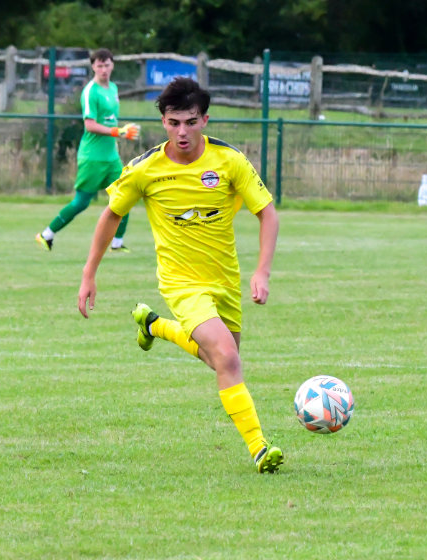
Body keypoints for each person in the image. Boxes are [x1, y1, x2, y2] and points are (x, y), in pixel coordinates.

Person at [77, 77, 284, 473]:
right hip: (181, 283)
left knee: (221, 360)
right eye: (173, 123)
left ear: (204, 119)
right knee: (228, 358)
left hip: (225, 279)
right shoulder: (145, 169)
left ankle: (155, 326)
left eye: (190, 122)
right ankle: (260, 448)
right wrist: (89, 274)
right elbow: (111, 215)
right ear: (163, 122)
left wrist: (262, 271)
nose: (182, 132)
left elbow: (267, 213)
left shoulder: (230, 161)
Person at [36, 48, 139, 252]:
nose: (103, 69)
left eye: (107, 65)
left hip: (111, 157)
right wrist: (118, 132)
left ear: (112, 65)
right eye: (99, 66)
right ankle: (46, 235)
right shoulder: (90, 91)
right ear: (93, 67)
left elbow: (109, 120)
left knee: (125, 195)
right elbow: (90, 125)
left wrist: (118, 137)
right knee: (81, 203)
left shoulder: (113, 88)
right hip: (92, 157)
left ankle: (117, 243)